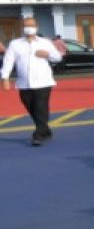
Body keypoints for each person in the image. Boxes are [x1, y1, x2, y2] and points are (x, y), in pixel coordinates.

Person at [2, 16, 62, 146]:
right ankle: (45, 130)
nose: (29, 27)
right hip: (24, 83)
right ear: (23, 28)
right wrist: (5, 78)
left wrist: (47, 54)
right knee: (30, 107)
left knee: (40, 107)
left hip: (43, 82)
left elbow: (57, 57)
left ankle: (38, 135)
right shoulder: (15, 44)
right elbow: (8, 61)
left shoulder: (45, 42)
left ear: (36, 27)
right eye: (26, 25)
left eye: (32, 25)